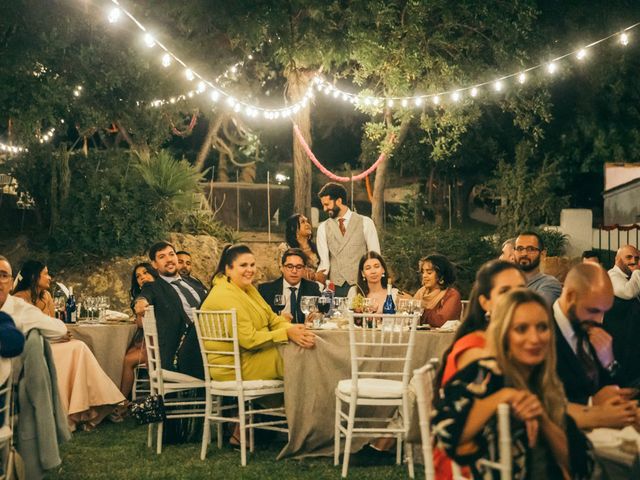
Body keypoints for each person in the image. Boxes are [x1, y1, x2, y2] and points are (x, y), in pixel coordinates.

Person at [433, 289, 592, 480]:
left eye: (542, 327)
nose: (535, 339)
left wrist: (541, 416)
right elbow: (445, 432)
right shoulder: (485, 374)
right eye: (521, 329)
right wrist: (505, 396)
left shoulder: (545, 381)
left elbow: (580, 463)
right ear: (504, 334)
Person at [10, 259, 126, 430]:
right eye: (46, 273)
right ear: (35, 277)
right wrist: (57, 337)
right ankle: (86, 410)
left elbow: (50, 323)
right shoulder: (18, 300)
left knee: (78, 346)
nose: (49, 277)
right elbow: (26, 333)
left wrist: (61, 335)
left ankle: (90, 408)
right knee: (77, 348)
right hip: (32, 348)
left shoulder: (46, 296)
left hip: (52, 342)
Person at [201, 244, 316, 382]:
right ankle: (305, 402)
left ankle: (299, 401)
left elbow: (272, 319)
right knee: (300, 354)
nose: (250, 270)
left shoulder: (246, 288)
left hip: (255, 355)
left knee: (308, 345)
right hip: (235, 367)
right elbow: (249, 340)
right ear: (228, 269)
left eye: (252, 265)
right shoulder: (224, 294)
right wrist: (286, 334)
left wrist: (294, 329)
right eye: (243, 265)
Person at [552, 263, 639, 430]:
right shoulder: (540, 330)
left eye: (603, 312)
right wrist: (592, 403)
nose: (599, 320)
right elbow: (540, 400)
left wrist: (609, 362)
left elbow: (616, 387)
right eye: (593, 310)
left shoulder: (589, 325)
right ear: (570, 296)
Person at [134, 241, 207, 379]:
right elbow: (144, 297)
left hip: (208, 340)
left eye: (171, 254)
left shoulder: (194, 282)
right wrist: (140, 302)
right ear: (154, 264)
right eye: (162, 257)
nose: (169, 259)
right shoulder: (153, 287)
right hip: (181, 351)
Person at [316, 182, 381, 297]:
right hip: (335, 288)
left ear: (339, 201)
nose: (324, 209)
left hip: (361, 286)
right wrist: (319, 288)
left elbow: (375, 257)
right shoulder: (322, 228)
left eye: (327, 204)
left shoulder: (366, 222)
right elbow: (324, 263)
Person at [120, 262, 157, 398]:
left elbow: (142, 324)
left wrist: (137, 318)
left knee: (128, 360)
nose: (142, 277)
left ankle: (122, 400)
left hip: (157, 347)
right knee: (120, 353)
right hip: (147, 343)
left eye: (146, 273)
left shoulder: (153, 296)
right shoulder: (141, 297)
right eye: (138, 276)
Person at [605, 245, 640, 384]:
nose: (634, 261)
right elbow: (628, 293)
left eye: (636, 258)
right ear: (617, 260)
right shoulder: (612, 275)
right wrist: (637, 271)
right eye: (629, 257)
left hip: (631, 336)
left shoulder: (631, 276)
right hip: (618, 338)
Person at [258, 248, 321, 324]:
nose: (294, 271)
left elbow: (320, 312)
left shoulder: (312, 288)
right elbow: (261, 318)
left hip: (304, 332)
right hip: (278, 332)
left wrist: (317, 315)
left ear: (304, 269)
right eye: (290, 266)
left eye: (299, 267)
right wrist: (278, 318)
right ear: (282, 268)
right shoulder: (266, 290)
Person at [413, 254, 461, 327]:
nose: (424, 276)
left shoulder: (452, 295)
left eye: (429, 272)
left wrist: (416, 306)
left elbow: (441, 321)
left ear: (441, 276)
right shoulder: (421, 292)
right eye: (423, 272)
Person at [514, 231, 562, 306]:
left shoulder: (550, 284)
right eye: (520, 249)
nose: (524, 253)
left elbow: (535, 311)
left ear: (542, 254)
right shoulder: (509, 281)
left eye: (530, 249)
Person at [277, 214, 323, 282]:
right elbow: (284, 270)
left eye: (307, 222)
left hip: (317, 287)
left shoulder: (317, 247)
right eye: (303, 222)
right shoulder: (285, 248)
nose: (307, 224)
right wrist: (312, 276)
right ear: (294, 228)